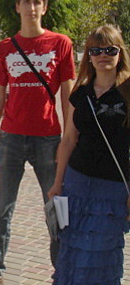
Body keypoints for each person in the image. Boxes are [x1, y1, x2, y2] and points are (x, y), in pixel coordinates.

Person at [0, 0, 76, 285]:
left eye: (37, 3)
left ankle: (63, 266)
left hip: (48, 138)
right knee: (2, 207)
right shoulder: (6, 47)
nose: (31, 8)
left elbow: (68, 96)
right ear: (17, 7)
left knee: (57, 204)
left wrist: (68, 140)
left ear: (44, 8)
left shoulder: (61, 44)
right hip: (12, 138)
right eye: (26, 2)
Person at [48, 25, 130, 284]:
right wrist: (57, 183)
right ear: (89, 56)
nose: (102, 55)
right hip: (77, 184)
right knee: (72, 250)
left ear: (120, 53)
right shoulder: (80, 94)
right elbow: (69, 140)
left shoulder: (128, 92)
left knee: (102, 253)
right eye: (96, 50)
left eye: (109, 49)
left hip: (113, 188)